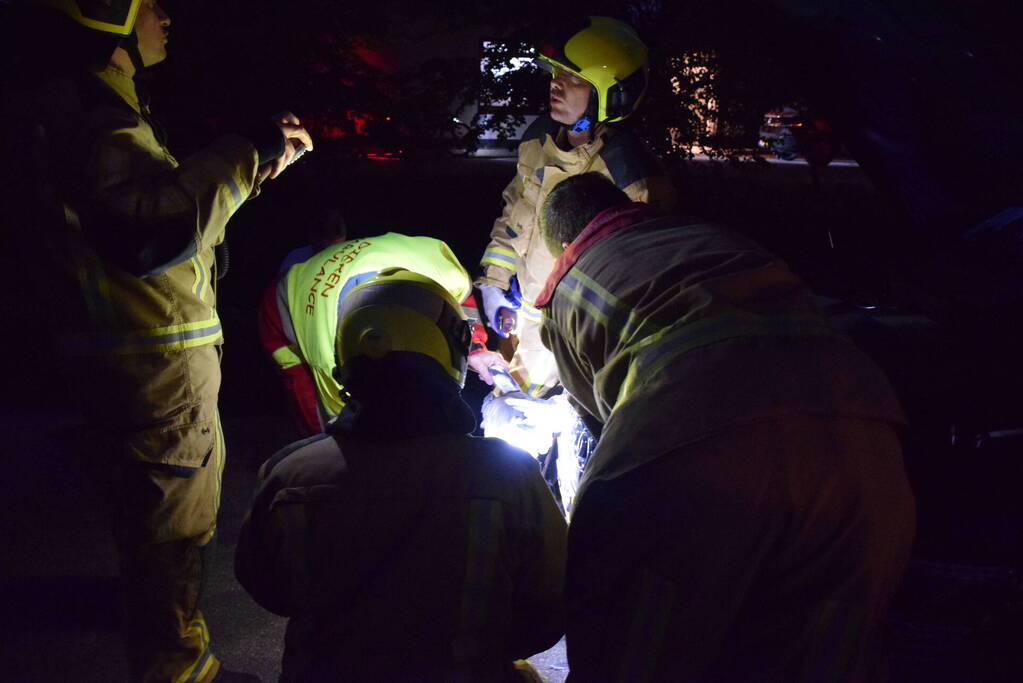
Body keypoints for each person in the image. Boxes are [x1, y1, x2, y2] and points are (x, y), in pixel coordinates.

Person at [9, 1, 311, 681]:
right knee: (170, 530)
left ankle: (163, 643)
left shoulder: (70, 109)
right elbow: (150, 229)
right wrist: (246, 149)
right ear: (109, 18)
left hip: (122, 355)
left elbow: (162, 214)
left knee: (147, 520)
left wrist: (258, 168)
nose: (166, 17)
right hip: (153, 361)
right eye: (150, 6)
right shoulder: (99, 120)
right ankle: (177, 669)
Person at [536, 173, 916, 681]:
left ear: (564, 243)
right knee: (827, 648)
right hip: (863, 434)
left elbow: (594, 416)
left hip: (692, 438)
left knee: (634, 642)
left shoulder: (569, 282)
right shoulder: (708, 235)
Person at [236, 269, 567, 682]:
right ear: (449, 351)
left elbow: (267, 587)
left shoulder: (288, 472)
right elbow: (548, 609)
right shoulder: (508, 475)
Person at [474, 16, 676, 509]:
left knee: (581, 456)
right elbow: (513, 222)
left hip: (587, 336)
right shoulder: (537, 143)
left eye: (574, 79)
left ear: (612, 95)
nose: (555, 86)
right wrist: (493, 282)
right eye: (555, 73)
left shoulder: (630, 172)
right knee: (512, 448)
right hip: (526, 326)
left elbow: (644, 274)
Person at [257, 230, 505, 437]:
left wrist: (475, 349)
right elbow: (340, 414)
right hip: (283, 302)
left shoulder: (449, 275)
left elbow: (461, 301)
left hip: (357, 264)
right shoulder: (329, 352)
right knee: (317, 417)